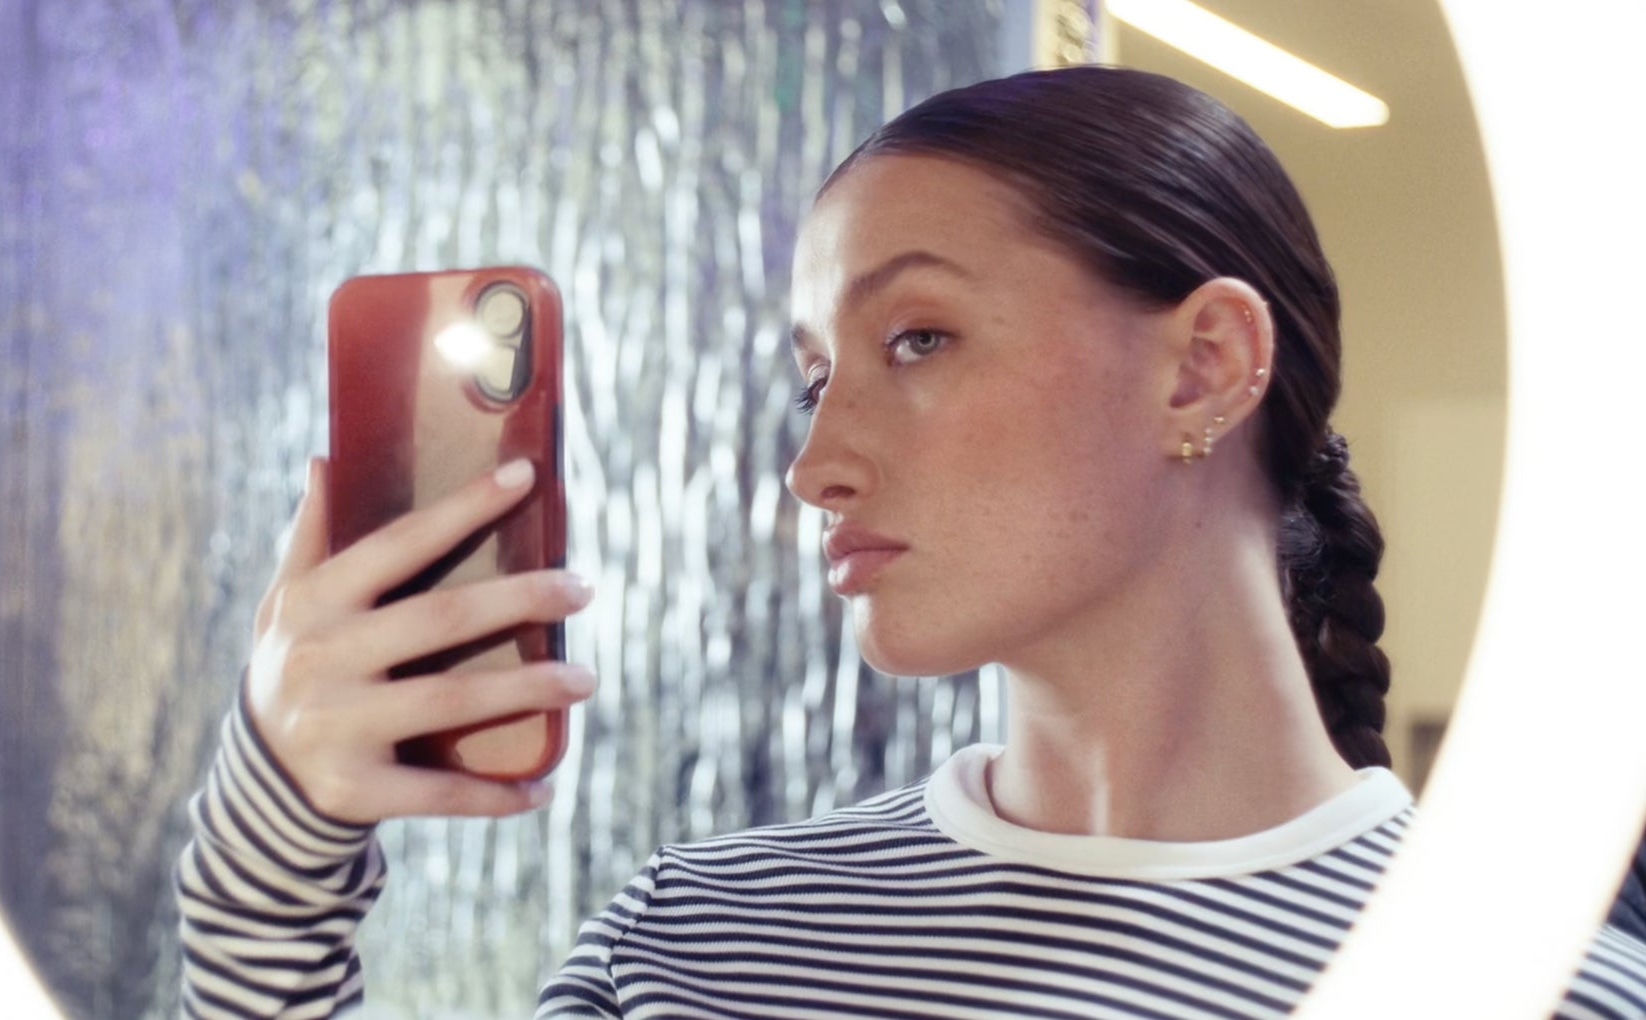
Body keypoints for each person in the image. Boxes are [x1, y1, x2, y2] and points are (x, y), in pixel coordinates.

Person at [176, 66, 1646, 1018]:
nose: (816, 464)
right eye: (815, 375)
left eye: (920, 337)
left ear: (1202, 368)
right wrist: (277, 833)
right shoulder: (699, 946)